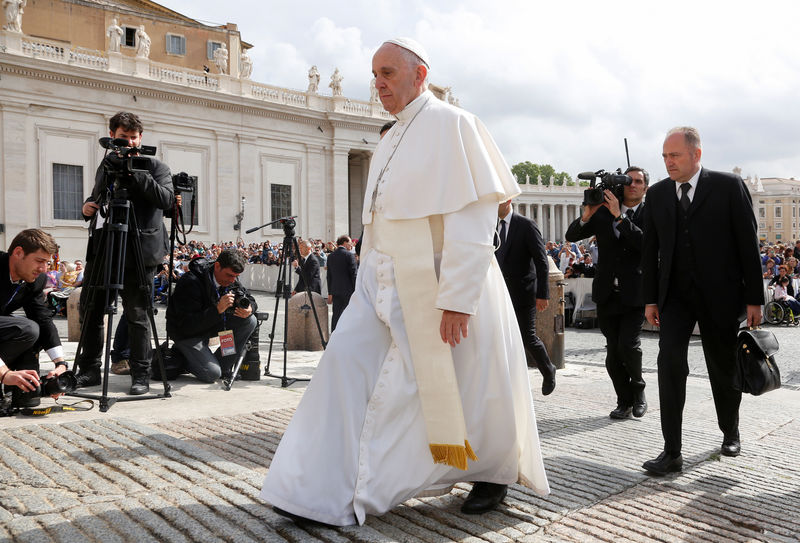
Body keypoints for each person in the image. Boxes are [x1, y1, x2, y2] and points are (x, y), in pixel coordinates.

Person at [261, 37, 549, 527]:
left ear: (420, 74)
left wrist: (458, 296)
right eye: (374, 74)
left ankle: (491, 473)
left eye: (388, 73)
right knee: (344, 366)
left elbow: (473, 218)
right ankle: (313, 488)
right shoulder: (390, 137)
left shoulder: (456, 125)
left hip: (442, 279)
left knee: (471, 382)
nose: (378, 84)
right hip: (381, 277)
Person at [641, 127, 763, 475]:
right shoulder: (658, 194)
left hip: (721, 294)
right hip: (674, 298)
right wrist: (650, 299)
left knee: (722, 366)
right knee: (669, 364)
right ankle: (671, 451)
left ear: (696, 154)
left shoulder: (728, 187)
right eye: (664, 156)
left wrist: (755, 298)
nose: (668, 162)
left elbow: (748, 243)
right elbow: (650, 251)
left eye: (674, 155)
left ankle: (730, 431)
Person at [75, 111, 175, 395]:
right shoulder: (107, 165)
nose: (129, 143)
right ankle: (90, 369)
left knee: (138, 313)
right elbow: (97, 196)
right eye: (123, 138)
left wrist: (136, 173)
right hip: (107, 245)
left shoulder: (155, 167)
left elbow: (166, 200)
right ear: (113, 137)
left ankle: (140, 374)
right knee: (91, 309)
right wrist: (86, 206)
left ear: (140, 138)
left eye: (133, 138)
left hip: (140, 249)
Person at [566, 166, 649, 420]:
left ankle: (639, 390)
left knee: (628, 345)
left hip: (635, 293)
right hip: (606, 293)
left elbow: (645, 245)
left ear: (645, 187)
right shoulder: (602, 212)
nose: (632, 185)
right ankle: (623, 401)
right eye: (628, 181)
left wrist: (620, 218)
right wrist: (587, 215)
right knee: (613, 352)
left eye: (638, 182)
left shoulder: (650, 213)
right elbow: (571, 235)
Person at [0, 229, 68, 408]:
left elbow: (43, 318)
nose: (44, 269)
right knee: (25, 328)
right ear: (18, 253)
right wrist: (3, 372)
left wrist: (60, 364)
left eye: (47, 262)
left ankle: (25, 387)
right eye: (39, 261)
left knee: (33, 329)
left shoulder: (36, 280)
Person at [495, 199, 557, 395]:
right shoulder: (489, 225)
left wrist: (543, 293)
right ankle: (509, 380)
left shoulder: (526, 225)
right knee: (502, 338)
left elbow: (541, 260)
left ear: (508, 200)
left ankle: (548, 370)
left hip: (523, 292)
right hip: (499, 292)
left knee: (527, 337)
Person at [166, 249, 256, 383]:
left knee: (250, 321)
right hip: (186, 333)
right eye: (229, 275)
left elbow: (249, 298)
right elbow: (186, 325)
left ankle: (221, 366)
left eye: (236, 276)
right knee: (211, 374)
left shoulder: (231, 280)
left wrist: (249, 308)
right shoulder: (191, 281)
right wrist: (217, 310)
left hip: (210, 324)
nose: (232, 280)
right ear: (217, 266)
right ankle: (183, 357)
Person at [326, 235, 357, 332]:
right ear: (344, 242)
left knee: (336, 315)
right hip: (348, 291)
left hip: (335, 290)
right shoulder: (349, 255)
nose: (351, 244)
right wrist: (356, 290)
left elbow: (329, 276)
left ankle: (334, 335)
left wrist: (330, 292)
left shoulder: (331, 256)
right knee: (349, 314)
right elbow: (354, 275)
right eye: (349, 242)